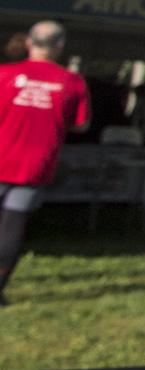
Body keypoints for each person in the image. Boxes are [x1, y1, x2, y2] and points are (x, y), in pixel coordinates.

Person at [0, 21, 93, 304]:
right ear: (60, 46)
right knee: (13, 223)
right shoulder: (72, 82)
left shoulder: (4, 74)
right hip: (35, 164)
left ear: (29, 42)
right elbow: (82, 124)